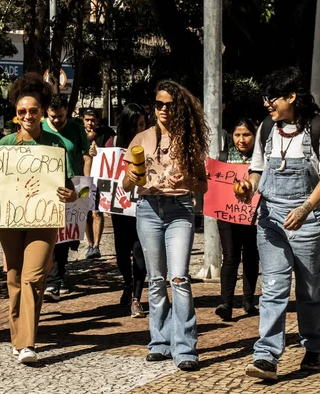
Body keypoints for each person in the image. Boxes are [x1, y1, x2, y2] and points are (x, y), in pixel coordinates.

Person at [238, 67, 320, 380]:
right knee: (273, 287)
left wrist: (305, 208)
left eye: (272, 98)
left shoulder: (318, 128)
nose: (267, 104)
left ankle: (314, 347)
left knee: (310, 290)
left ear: (291, 97)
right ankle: (266, 357)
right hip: (271, 220)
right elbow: (257, 170)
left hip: (308, 221)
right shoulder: (267, 128)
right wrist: (248, 186)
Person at [123, 80, 209, 372]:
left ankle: (185, 347)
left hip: (179, 210)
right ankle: (158, 342)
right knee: (157, 279)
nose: (163, 110)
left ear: (179, 108)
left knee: (179, 278)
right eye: (158, 104)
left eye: (169, 105)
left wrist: (186, 182)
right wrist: (133, 178)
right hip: (148, 209)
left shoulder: (190, 140)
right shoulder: (140, 139)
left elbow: (203, 185)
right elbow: (125, 183)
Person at [0, 73, 77, 363]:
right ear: (16, 115)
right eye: (22, 112)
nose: (28, 116)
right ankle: (19, 337)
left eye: (33, 111)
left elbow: (73, 185)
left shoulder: (58, 145)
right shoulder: (4, 144)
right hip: (10, 221)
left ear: (42, 112)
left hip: (44, 219)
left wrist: (73, 196)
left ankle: (27, 342)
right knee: (14, 278)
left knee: (33, 278)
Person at [42, 95, 91, 301]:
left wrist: (86, 187)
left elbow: (85, 156)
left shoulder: (76, 128)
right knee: (50, 235)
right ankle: (53, 280)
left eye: (60, 116)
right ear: (47, 113)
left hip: (70, 187)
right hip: (45, 186)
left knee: (63, 236)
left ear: (67, 113)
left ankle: (57, 277)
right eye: (53, 116)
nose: (56, 121)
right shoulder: (40, 127)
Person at [214, 118, 260, 321]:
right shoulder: (223, 157)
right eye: (237, 135)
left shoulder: (261, 159)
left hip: (254, 215)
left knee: (251, 255)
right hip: (228, 216)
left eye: (246, 135)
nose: (241, 140)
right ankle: (226, 303)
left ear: (254, 135)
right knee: (230, 256)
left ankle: (249, 301)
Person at [105, 104, 148, 317]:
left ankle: (137, 298)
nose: (139, 130)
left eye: (142, 124)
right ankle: (128, 283)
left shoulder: (151, 143)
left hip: (144, 205)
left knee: (140, 252)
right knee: (122, 252)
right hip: (120, 208)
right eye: (135, 125)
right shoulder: (112, 144)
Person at [82, 109, 105, 260]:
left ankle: (96, 245)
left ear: (97, 121)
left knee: (97, 212)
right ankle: (90, 244)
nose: (90, 123)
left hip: (99, 180)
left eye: (93, 120)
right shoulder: (78, 135)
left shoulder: (104, 136)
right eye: (87, 120)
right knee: (85, 214)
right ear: (83, 120)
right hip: (82, 180)